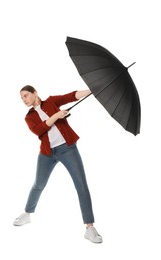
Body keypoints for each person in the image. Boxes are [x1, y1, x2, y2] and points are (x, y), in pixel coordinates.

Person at [13, 85, 102, 243]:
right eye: (22, 98)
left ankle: (89, 228)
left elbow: (71, 96)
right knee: (38, 184)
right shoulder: (29, 117)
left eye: (26, 95)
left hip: (68, 149)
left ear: (35, 93)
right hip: (47, 153)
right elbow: (39, 130)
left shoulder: (52, 102)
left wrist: (92, 90)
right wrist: (57, 116)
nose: (23, 100)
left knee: (81, 185)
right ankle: (27, 213)